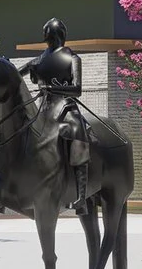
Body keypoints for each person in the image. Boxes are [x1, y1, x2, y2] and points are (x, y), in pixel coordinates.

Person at [19, 17, 91, 174]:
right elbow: (16, 75)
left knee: (78, 132)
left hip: (65, 108)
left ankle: (81, 188)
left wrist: (51, 88)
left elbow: (77, 89)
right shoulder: (38, 61)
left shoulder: (73, 59)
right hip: (43, 110)